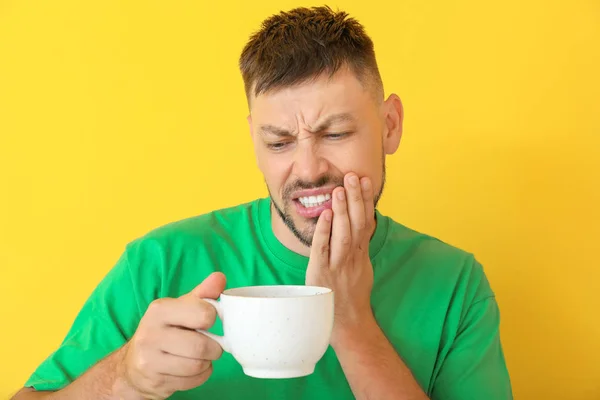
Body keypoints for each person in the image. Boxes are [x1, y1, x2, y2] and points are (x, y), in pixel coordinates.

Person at [12, 6, 513, 400]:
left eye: (335, 132)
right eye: (278, 142)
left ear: (390, 126)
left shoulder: (455, 285)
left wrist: (348, 321)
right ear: (253, 138)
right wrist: (123, 380)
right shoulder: (160, 264)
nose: (308, 167)